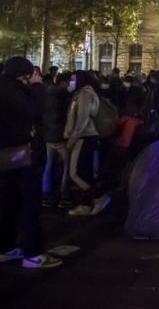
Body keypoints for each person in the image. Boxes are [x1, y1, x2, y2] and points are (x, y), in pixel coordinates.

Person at [0, 57, 62, 269]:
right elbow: (33, 110)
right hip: (22, 155)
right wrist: (37, 86)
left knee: (8, 204)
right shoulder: (14, 90)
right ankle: (33, 254)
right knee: (29, 205)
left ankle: (6, 247)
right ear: (24, 74)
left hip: (5, 155)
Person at [64, 71, 111, 217]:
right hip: (84, 136)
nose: (70, 82)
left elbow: (82, 119)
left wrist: (72, 139)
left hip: (84, 137)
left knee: (75, 173)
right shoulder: (83, 93)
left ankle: (98, 197)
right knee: (84, 172)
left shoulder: (85, 94)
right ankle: (85, 204)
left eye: (73, 79)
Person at [41, 71, 73, 209]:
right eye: (70, 81)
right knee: (66, 166)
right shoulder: (65, 96)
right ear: (63, 82)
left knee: (49, 165)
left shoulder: (46, 93)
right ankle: (64, 196)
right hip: (61, 135)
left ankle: (46, 195)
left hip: (48, 134)